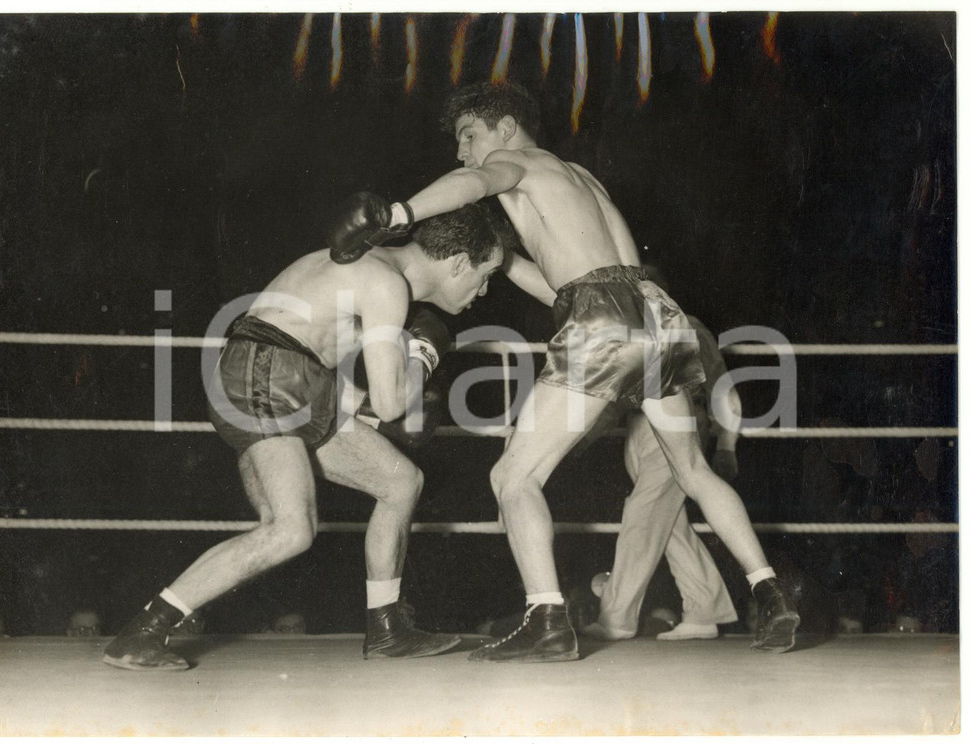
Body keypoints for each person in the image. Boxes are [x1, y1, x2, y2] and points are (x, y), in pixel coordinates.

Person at [337, 81, 798, 661]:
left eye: (469, 136)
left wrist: (398, 214)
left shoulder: (514, 160)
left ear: (505, 129)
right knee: (692, 469)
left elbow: (473, 184)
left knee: (512, 477)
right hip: (658, 312)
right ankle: (768, 591)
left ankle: (546, 615)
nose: (463, 152)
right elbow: (570, 282)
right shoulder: (581, 180)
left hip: (603, 316)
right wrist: (502, 260)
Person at [102, 201, 505, 670]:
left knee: (400, 481)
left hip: (295, 378)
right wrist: (423, 356)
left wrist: (379, 403)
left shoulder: (372, 270)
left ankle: (387, 627)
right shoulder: (386, 283)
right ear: (458, 262)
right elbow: (395, 403)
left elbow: (354, 390)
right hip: (266, 371)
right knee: (291, 529)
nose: (484, 290)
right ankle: (143, 631)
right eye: (486, 274)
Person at [582, 310, 742, 642]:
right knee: (666, 523)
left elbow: (722, 389)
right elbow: (613, 395)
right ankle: (704, 610)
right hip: (638, 429)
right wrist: (579, 439)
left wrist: (727, 445)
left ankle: (617, 617)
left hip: (676, 427)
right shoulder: (626, 327)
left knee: (643, 514)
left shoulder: (689, 327)